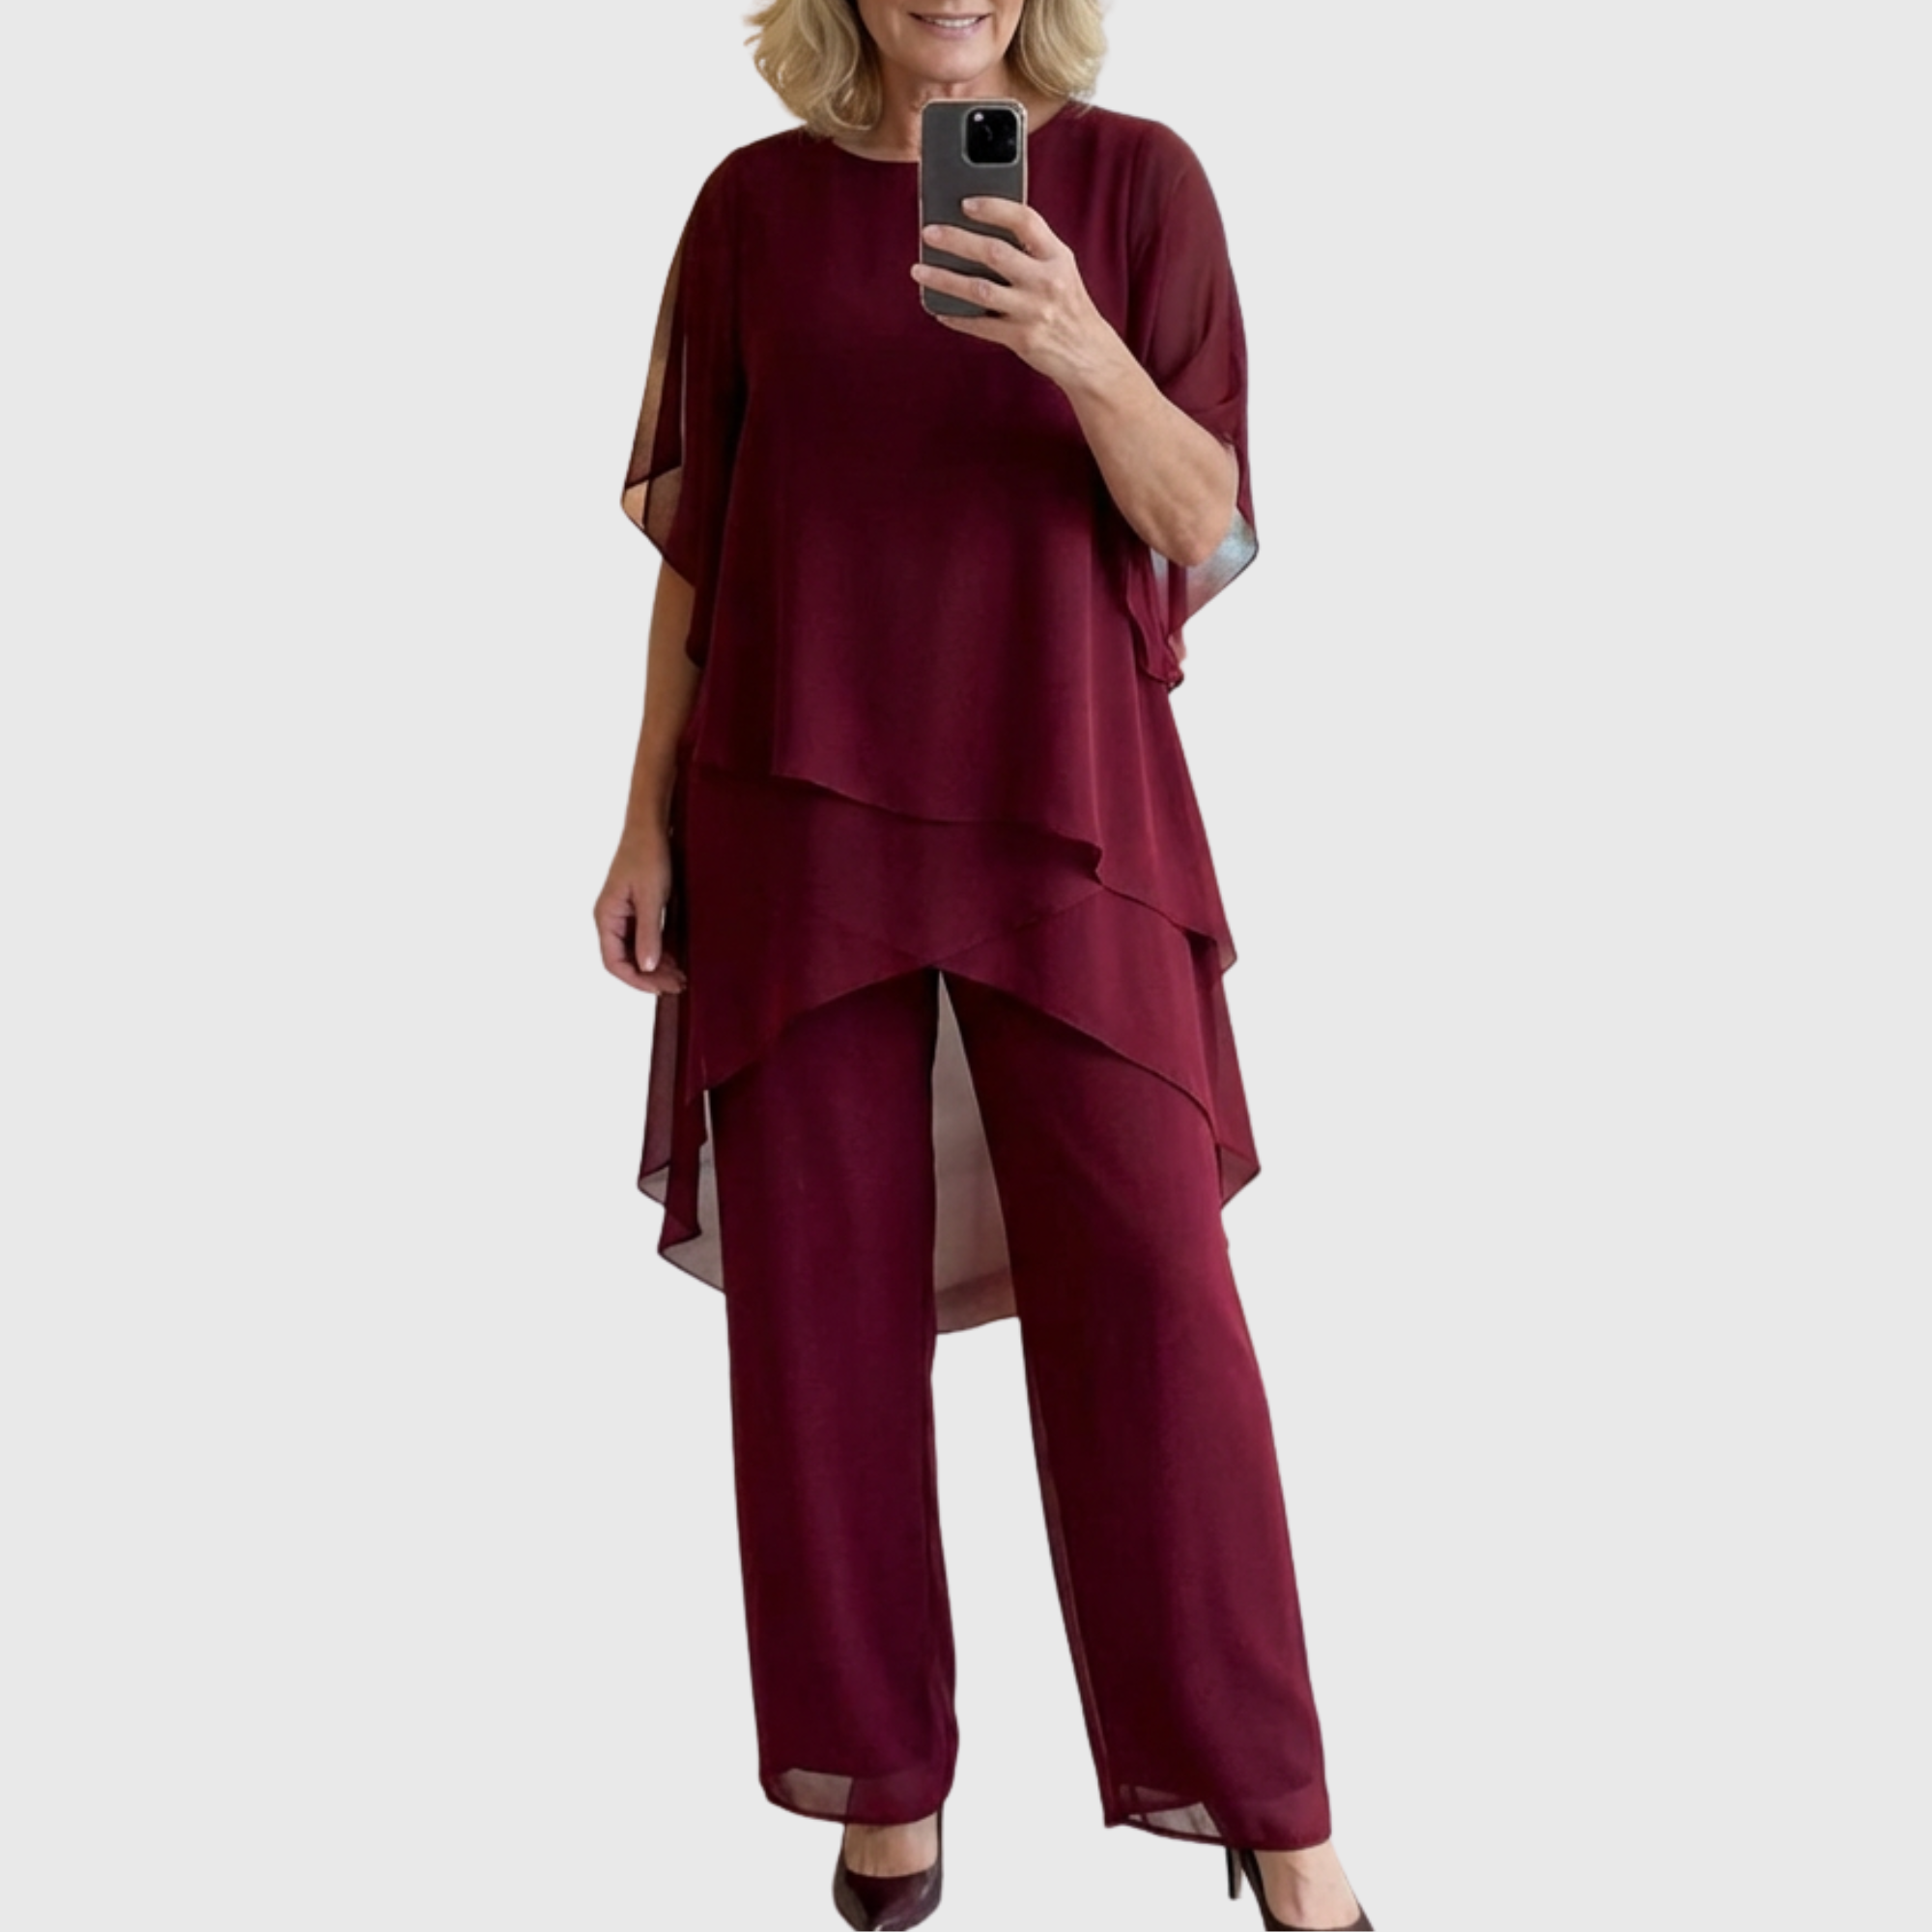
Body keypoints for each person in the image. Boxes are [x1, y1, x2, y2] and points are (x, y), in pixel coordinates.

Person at [592, 3, 1373, 1926]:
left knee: (1157, 1309)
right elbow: (700, 553)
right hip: (790, 802)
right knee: (817, 1323)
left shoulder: (1137, 186)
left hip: (1064, 804)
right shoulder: (750, 210)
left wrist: (1076, 342)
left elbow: (1210, 526)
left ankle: (1276, 1810)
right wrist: (640, 821)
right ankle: (882, 1781)